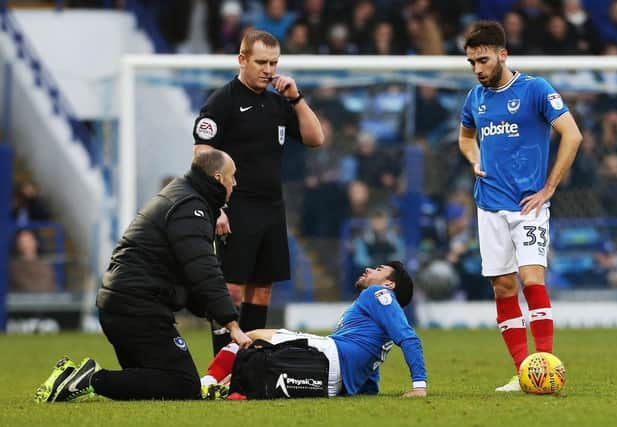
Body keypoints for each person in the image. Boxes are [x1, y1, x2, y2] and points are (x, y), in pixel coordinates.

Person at [34, 149, 252, 403]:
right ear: (217, 178)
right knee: (183, 385)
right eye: (232, 176)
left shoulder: (183, 197)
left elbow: (187, 273)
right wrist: (232, 324)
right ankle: (91, 378)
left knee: (149, 384)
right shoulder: (190, 207)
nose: (235, 183)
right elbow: (203, 268)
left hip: (121, 306)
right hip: (137, 309)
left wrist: (210, 312)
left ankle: (73, 378)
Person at [457, 21, 582, 392]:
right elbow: (465, 137)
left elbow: (572, 135)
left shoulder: (535, 89)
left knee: (531, 280)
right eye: (471, 63)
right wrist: (473, 157)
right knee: (503, 288)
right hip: (488, 205)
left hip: (528, 206)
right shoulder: (474, 99)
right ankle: (523, 372)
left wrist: (548, 188)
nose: (477, 69)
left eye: (483, 60)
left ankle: (546, 364)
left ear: (502, 54)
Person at [192, 30, 324, 354]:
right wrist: (215, 207)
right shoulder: (222, 101)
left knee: (262, 290)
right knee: (231, 290)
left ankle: (248, 360)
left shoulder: (278, 102)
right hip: (236, 208)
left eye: (274, 63)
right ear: (242, 60)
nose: (268, 69)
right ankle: (221, 363)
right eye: (261, 62)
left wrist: (296, 97)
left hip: (271, 207)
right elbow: (201, 156)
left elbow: (315, 138)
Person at [201, 261, 427, 399]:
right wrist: (367, 388)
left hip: (331, 354)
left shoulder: (378, 294)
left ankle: (207, 382)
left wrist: (419, 386)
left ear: (389, 285)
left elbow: (409, 339)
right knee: (257, 359)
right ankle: (216, 387)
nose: (369, 269)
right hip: (335, 381)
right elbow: (371, 357)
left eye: (379, 269)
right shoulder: (380, 312)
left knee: (252, 335)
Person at [9, 228, 57, 292]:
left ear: (36, 242)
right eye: (22, 242)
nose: (26, 245)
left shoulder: (46, 266)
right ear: (17, 244)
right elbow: (24, 286)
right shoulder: (14, 267)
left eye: (28, 241)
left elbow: (51, 285)